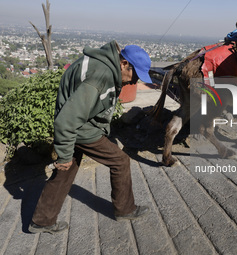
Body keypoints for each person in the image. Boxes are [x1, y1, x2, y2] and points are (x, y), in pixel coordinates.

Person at [29, 41, 152, 234]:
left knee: (66, 169)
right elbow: (68, 119)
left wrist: (65, 156)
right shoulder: (100, 76)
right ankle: (125, 209)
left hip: (79, 126)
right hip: (82, 129)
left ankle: (42, 221)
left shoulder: (103, 65)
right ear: (124, 64)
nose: (133, 82)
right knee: (120, 161)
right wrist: (63, 153)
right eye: (134, 75)